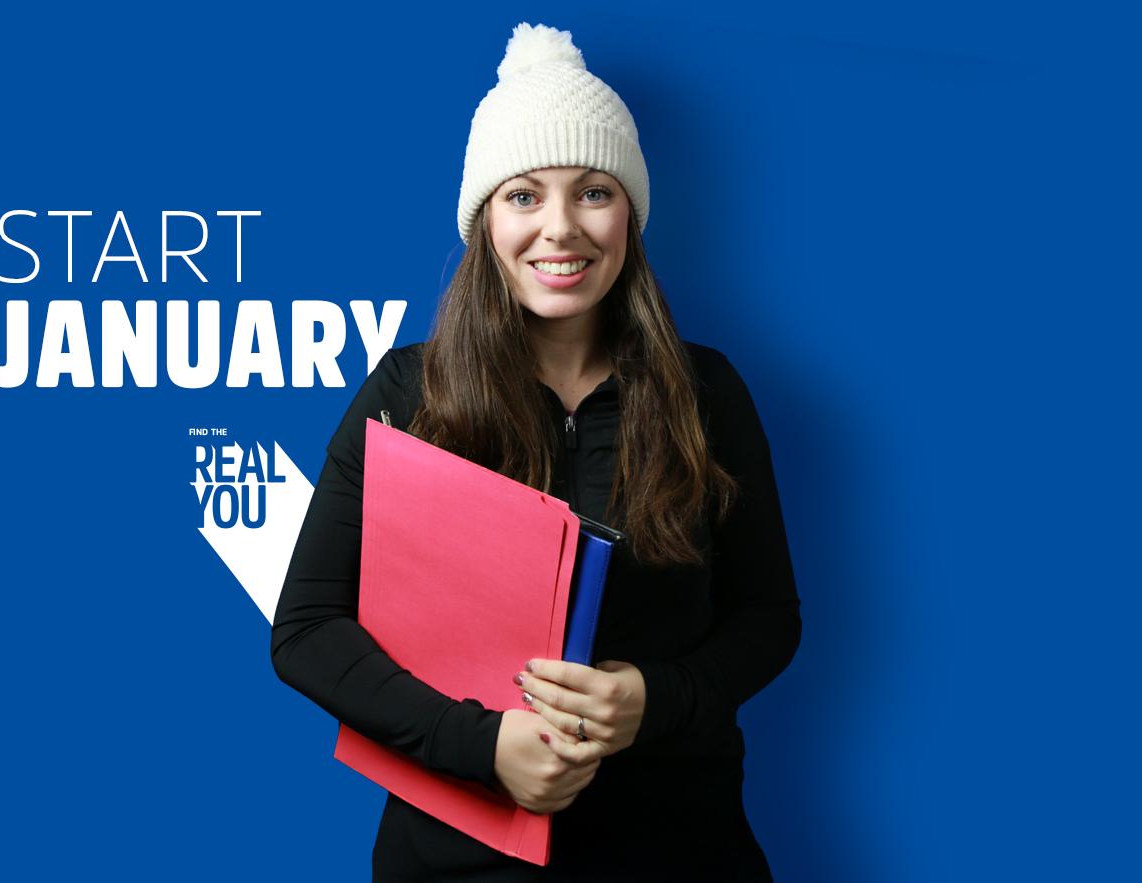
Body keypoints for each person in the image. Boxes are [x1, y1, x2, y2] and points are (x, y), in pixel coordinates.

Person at [270, 22, 801, 881]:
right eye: (524, 196)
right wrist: (479, 744)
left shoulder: (709, 393)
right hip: (455, 858)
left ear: (631, 210)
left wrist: (652, 699)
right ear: (485, 222)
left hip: (678, 851)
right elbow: (306, 631)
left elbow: (769, 618)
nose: (561, 229)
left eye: (594, 191)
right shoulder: (409, 393)